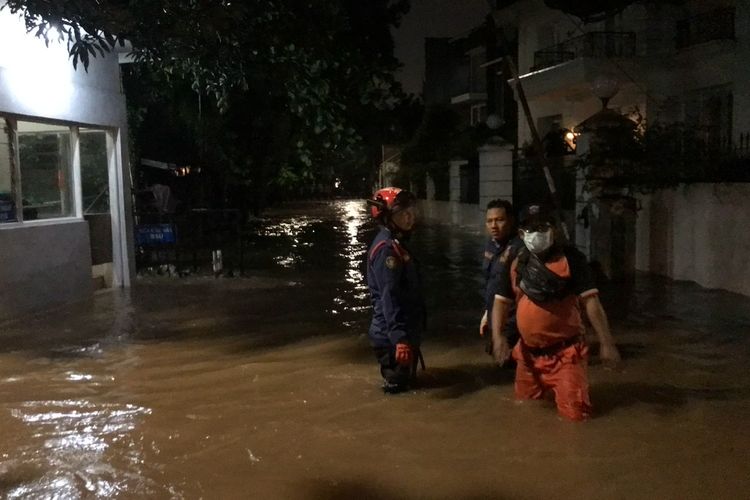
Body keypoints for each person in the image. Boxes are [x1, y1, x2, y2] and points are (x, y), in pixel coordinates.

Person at [490, 203, 621, 421]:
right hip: (528, 356)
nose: (536, 234)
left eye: (542, 227)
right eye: (531, 229)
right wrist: (498, 337)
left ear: (554, 229)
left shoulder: (572, 260)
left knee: (575, 417)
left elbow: (591, 302)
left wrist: (607, 343)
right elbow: (500, 303)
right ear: (522, 233)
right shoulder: (515, 261)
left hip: (566, 355)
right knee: (524, 411)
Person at [366, 187, 424, 394]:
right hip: (392, 336)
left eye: (411, 212)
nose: (410, 217)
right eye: (403, 213)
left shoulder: (396, 243)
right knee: (398, 392)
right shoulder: (387, 250)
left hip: (399, 331)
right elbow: (389, 297)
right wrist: (400, 339)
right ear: (387, 216)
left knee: (407, 387)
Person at [479, 199, 523, 356]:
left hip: (513, 322)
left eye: (499, 220)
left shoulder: (520, 249)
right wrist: (487, 313)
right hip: (495, 317)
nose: (493, 226)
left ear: (511, 221)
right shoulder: (491, 244)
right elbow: (490, 283)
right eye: (489, 221)